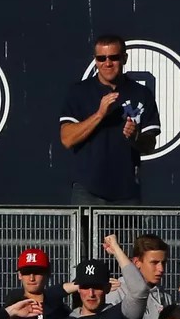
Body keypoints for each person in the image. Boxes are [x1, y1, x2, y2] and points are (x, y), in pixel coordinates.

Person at [59, 33, 160, 205]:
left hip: (127, 191)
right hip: (88, 190)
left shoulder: (141, 93)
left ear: (124, 58)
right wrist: (99, 115)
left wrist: (135, 136)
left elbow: (149, 145)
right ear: (95, 60)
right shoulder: (79, 92)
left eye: (114, 57)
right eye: (101, 58)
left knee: (129, 234)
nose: (107, 63)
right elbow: (67, 139)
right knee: (85, 233)